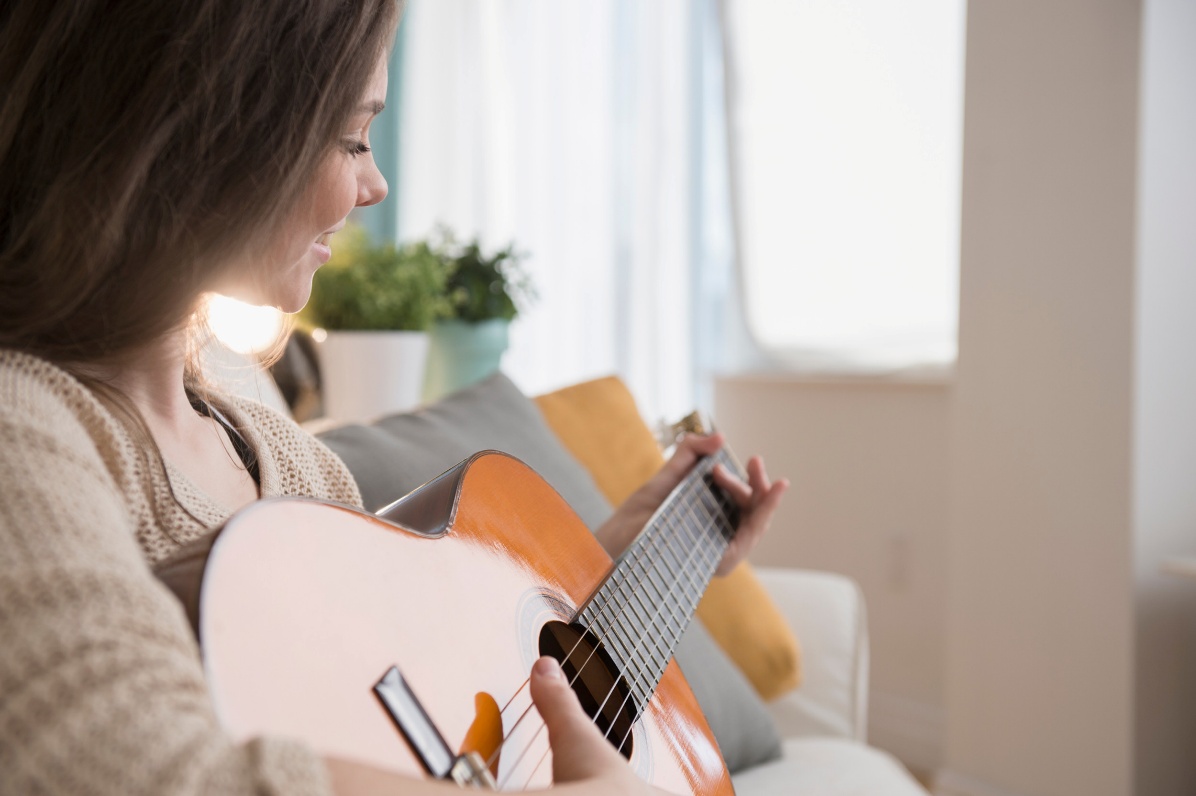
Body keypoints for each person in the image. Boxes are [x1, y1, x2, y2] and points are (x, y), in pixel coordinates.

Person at [0, 1, 789, 794]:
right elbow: (134, 768)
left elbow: (452, 706)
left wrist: (610, 556)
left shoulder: (299, 467)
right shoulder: (24, 427)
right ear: (206, 133)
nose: (376, 184)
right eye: (353, 137)